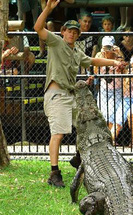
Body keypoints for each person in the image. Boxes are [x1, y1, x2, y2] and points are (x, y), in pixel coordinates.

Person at [34, 0, 123, 188]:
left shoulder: (77, 53)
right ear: (63, 32)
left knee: (86, 125)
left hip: (71, 95)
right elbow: (38, 27)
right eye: (69, 30)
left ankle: (78, 158)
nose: (72, 34)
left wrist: (114, 63)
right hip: (57, 94)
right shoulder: (56, 42)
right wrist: (48, 9)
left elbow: (92, 60)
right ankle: (54, 172)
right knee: (58, 133)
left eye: (75, 32)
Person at [94, 36, 126, 140]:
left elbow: (124, 70)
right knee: (103, 114)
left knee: (111, 114)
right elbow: (96, 72)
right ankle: (104, 138)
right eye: (106, 47)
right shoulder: (99, 56)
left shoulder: (118, 56)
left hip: (116, 90)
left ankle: (109, 139)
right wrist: (102, 56)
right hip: (104, 90)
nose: (108, 50)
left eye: (110, 47)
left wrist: (119, 53)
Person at [112, 54, 133, 145]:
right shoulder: (128, 72)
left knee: (132, 114)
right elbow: (124, 90)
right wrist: (128, 80)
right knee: (118, 119)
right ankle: (111, 139)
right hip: (127, 99)